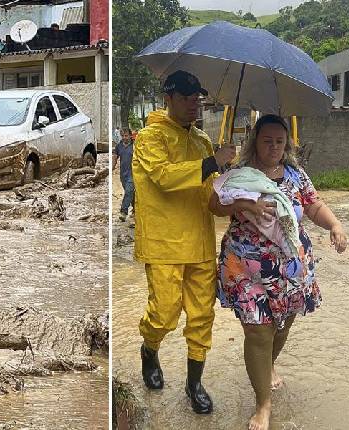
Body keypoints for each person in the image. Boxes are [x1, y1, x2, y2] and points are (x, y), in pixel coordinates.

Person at [209, 114, 347, 430]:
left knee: (281, 325)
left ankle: (267, 364)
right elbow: (213, 205)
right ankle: (263, 405)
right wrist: (244, 204)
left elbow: (313, 206)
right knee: (258, 330)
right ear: (255, 141)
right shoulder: (238, 174)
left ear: (287, 145)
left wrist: (336, 225)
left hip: (290, 264)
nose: (273, 147)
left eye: (279, 142)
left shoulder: (296, 176)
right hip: (246, 265)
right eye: (267, 140)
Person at [132, 70, 236, 414]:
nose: (195, 104)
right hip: (163, 242)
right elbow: (164, 178)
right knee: (163, 314)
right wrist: (211, 163)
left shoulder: (204, 141)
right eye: (188, 98)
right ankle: (149, 347)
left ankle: (195, 383)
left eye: (198, 99)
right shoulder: (149, 138)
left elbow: (211, 195)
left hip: (201, 244)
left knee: (202, 315)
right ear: (169, 97)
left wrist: (237, 195)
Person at [113, 127, 135, 222]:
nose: (124, 138)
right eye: (122, 136)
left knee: (129, 190)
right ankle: (136, 210)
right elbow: (115, 157)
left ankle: (123, 212)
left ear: (130, 135)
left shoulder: (135, 145)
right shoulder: (119, 146)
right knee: (130, 193)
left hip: (133, 173)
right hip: (123, 174)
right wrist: (112, 167)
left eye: (126, 136)